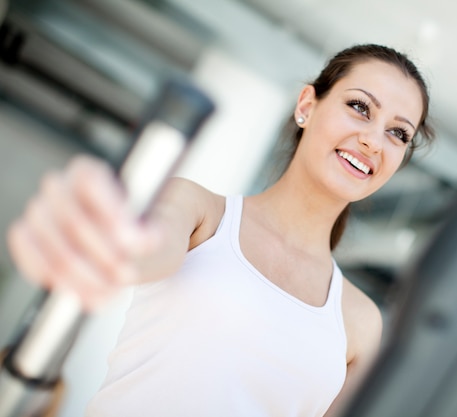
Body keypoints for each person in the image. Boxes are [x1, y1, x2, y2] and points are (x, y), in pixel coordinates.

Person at [6, 44, 434, 416]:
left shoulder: (360, 322)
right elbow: (140, 249)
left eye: (398, 133)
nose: (374, 141)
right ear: (307, 106)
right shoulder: (198, 210)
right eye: (360, 107)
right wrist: (103, 239)